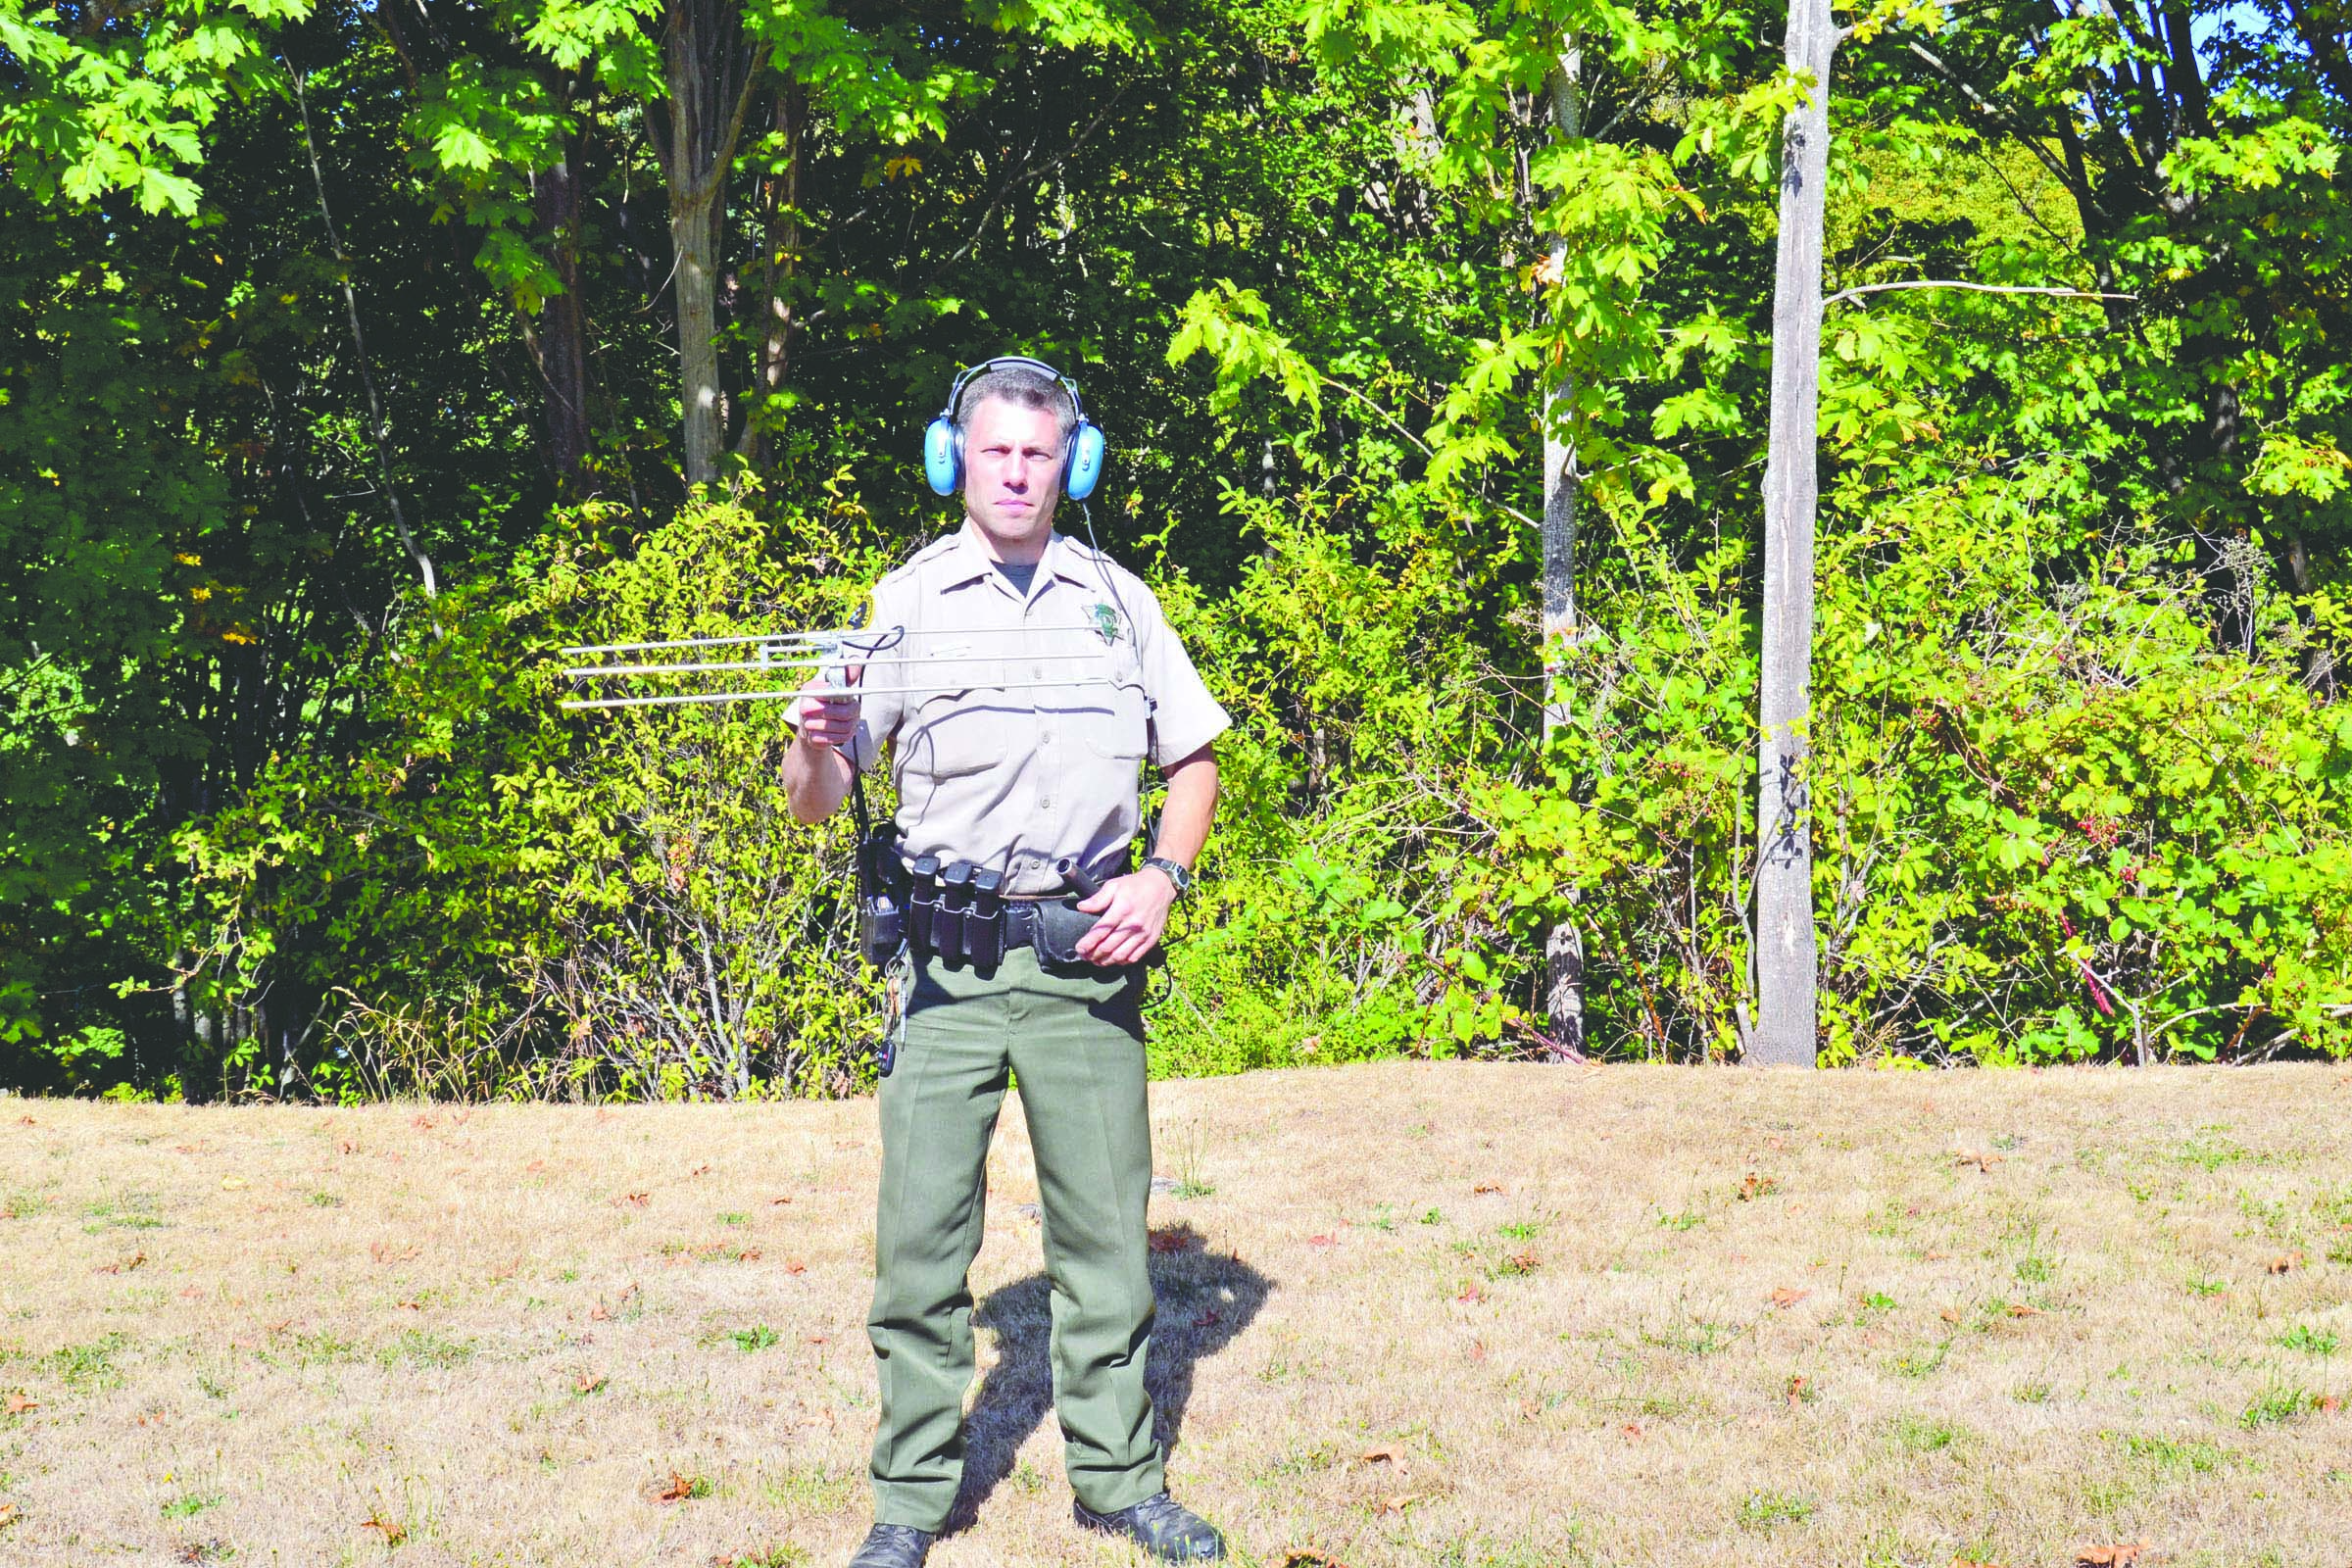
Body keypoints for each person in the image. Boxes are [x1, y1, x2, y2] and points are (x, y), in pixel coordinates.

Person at [781, 358, 1232, 1567]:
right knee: (922, 1244)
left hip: (1087, 959)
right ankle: (911, 1501)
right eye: (997, 452)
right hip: (948, 975)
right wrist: (816, 744)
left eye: (1041, 454)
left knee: (1103, 1245)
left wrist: (1164, 878)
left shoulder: (1119, 601)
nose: (1019, 472)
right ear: (957, 460)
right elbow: (815, 800)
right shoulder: (905, 604)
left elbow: (1193, 761)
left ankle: (1120, 1481)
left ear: (1071, 465)